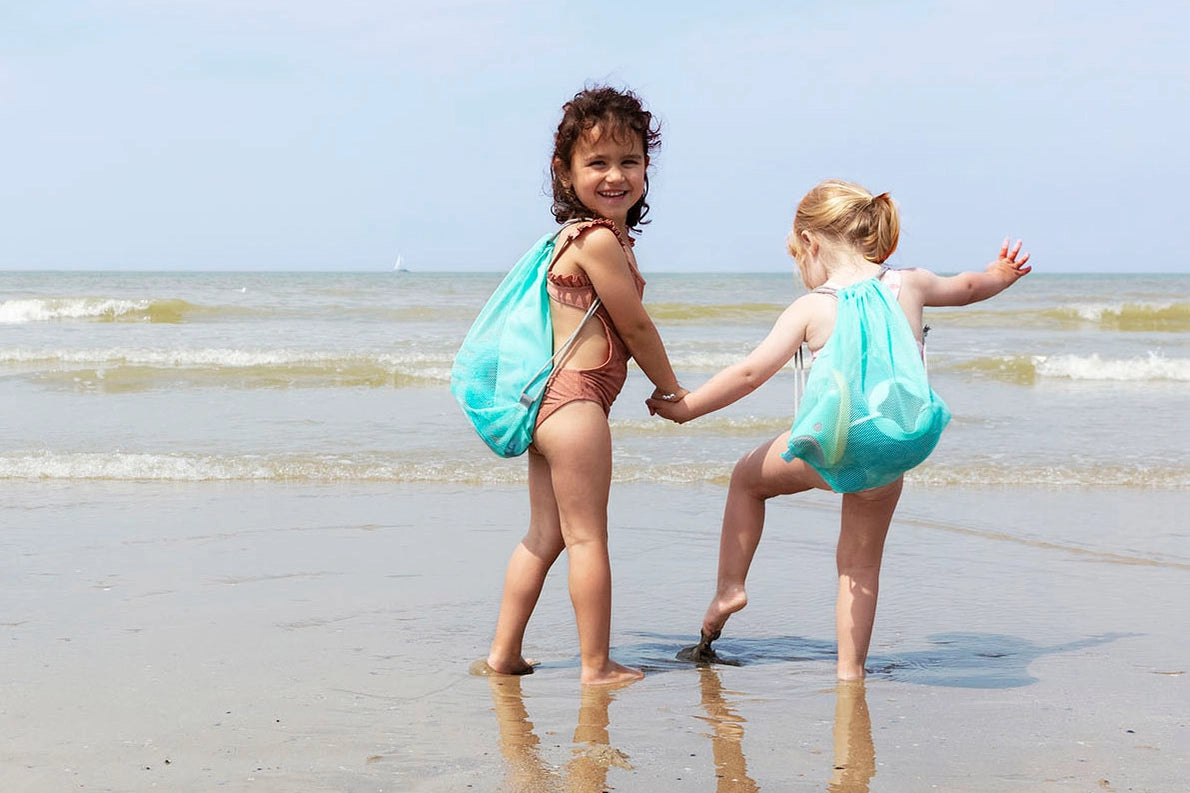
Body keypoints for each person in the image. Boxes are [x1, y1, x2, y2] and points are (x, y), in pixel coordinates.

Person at [648, 179, 1031, 680]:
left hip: (831, 447)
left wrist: (688, 408)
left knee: (747, 480)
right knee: (859, 566)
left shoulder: (812, 307)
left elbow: (749, 373)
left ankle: (730, 588)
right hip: (896, 445)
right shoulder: (910, 283)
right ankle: (850, 673)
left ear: (811, 243)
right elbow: (968, 288)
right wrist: (1000, 273)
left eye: (797, 258)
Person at [483, 86, 687, 685]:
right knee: (587, 538)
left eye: (629, 161)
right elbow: (637, 327)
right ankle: (596, 666)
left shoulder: (587, 238)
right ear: (565, 172)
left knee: (546, 535)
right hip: (576, 406)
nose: (615, 175)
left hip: (550, 406)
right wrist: (672, 391)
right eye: (596, 163)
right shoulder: (596, 241)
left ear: (647, 167)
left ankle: (504, 654)